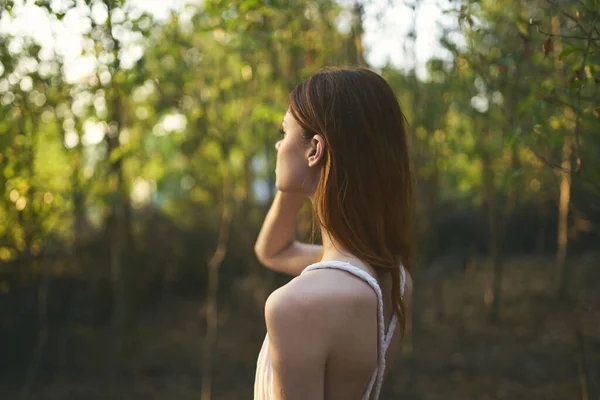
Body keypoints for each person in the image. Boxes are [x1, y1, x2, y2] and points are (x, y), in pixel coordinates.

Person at [253, 66, 414, 400]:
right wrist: (305, 175)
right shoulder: (396, 279)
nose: (278, 145)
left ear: (315, 149)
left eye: (284, 133)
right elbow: (273, 250)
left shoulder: (296, 305)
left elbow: (272, 252)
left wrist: (302, 172)